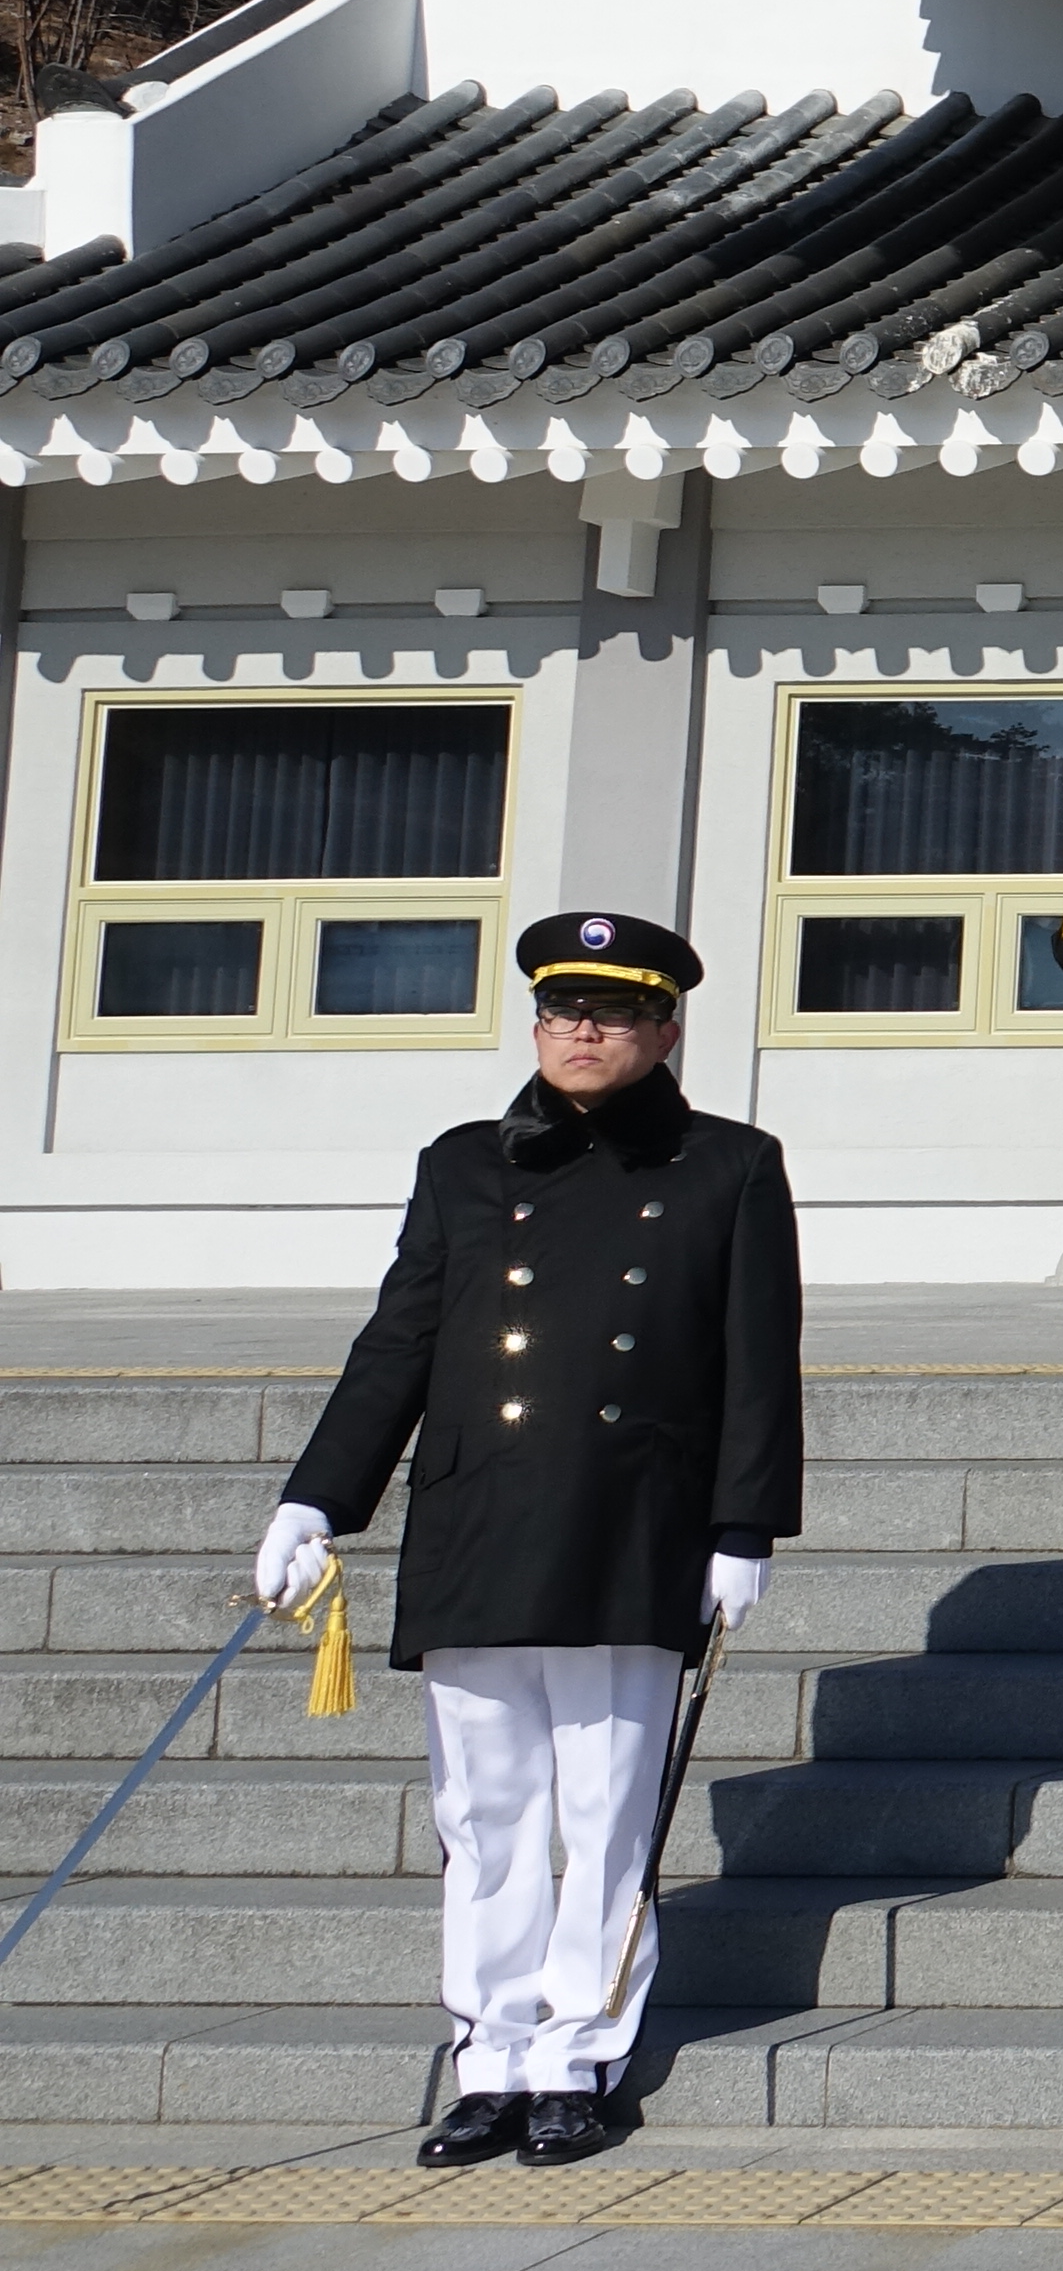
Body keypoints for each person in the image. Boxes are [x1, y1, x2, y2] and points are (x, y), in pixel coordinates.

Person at [258, 912, 797, 2170]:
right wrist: (318, 1499)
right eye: (561, 1011)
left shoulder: (727, 1167)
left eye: (610, 1014)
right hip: (478, 1517)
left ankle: (578, 2053)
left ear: (666, 1030)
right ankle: (489, 2055)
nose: (581, 1031)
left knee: (606, 1809)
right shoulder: (462, 1163)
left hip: (630, 1525)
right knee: (487, 1810)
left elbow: (756, 1363)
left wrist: (744, 1522)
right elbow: (399, 1339)